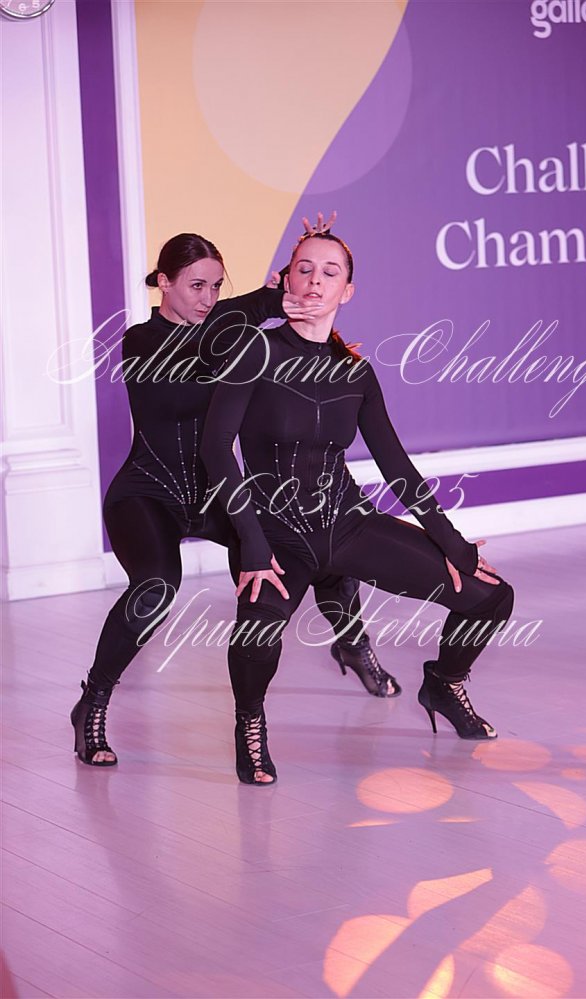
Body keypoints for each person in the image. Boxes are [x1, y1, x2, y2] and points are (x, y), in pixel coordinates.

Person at [71, 224, 399, 768]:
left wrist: (296, 282)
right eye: (196, 285)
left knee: (311, 544)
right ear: (163, 283)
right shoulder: (140, 340)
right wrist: (268, 301)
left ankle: (351, 640)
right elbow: (198, 354)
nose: (207, 298)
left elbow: (236, 340)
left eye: (216, 286)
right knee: (155, 588)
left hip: (218, 493)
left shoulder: (232, 337)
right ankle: (94, 700)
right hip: (148, 492)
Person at [201, 231, 515, 785]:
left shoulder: (356, 372)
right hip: (275, 534)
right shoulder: (255, 350)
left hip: (348, 525)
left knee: (491, 596)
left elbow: (396, 465)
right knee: (257, 635)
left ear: (347, 291)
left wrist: (452, 543)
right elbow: (214, 449)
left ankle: (444, 684)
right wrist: (250, 543)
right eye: (304, 268)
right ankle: (249, 723)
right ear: (286, 280)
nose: (315, 281)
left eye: (330, 272)